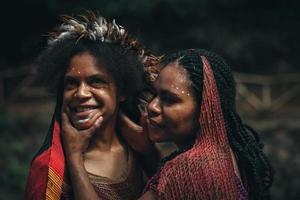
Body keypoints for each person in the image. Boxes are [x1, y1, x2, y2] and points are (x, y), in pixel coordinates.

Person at [25, 11, 159, 200]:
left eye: (96, 81)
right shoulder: (49, 171)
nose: (80, 93)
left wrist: (149, 152)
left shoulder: (139, 150)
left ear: (123, 91)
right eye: (71, 83)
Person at [125, 49, 274, 199]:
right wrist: (148, 151)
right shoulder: (225, 154)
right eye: (154, 94)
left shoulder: (193, 168)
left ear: (206, 108)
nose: (152, 106)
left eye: (170, 99)